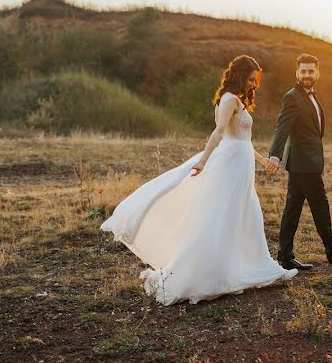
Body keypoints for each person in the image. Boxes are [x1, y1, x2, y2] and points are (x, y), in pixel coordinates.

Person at [100, 55, 297, 305]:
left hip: (241, 163)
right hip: (230, 165)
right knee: (223, 216)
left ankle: (248, 267)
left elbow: (243, 142)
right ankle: (209, 273)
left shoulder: (237, 100)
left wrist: (263, 161)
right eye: (250, 79)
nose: (253, 85)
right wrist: (203, 161)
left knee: (244, 215)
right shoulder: (228, 100)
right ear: (239, 75)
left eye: (255, 80)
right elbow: (219, 133)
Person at [266, 53, 332, 270]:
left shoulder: (311, 96)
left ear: (317, 73)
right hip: (304, 164)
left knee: (293, 209)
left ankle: (285, 256)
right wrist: (275, 154)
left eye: (311, 71)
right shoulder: (292, 97)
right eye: (303, 71)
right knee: (320, 206)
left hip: (305, 163)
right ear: (297, 73)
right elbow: (282, 128)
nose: (307, 75)